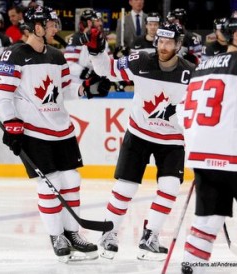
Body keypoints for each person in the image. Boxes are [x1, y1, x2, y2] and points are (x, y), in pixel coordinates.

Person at [0, 5, 103, 263]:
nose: (56, 28)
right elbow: (1, 95)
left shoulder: (56, 55)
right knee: (50, 182)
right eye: (51, 24)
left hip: (61, 129)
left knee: (71, 179)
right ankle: (57, 236)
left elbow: (65, 89)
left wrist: (87, 88)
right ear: (37, 27)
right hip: (33, 131)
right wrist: (11, 124)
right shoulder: (14, 55)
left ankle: (72, 233)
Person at [80, 21, 195, 260]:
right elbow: (106, 70)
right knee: (126, 187)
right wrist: (97, 50)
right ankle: (108, 234)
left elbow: (196, 108)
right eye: (160, 41)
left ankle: (150, 236)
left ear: (179, 45)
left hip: (172, 139)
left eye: (169, 42)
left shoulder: (190, 73)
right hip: (139, 133)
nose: (163, 46)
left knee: (170, 187)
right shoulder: (140, 60)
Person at [177, 12, 237, 274]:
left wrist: (198, 147)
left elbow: (182, 112)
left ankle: (192, 269)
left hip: (203, 158)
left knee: (208, 220)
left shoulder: (201, 66)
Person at [64, 8, 111, 90]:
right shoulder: (76, 39)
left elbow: (110, 63)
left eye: (100, 20)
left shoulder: (102, 40)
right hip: (78, 87)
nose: (100, 23)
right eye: (97, 20)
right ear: (89, 22)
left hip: (97, 87)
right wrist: (86, 72)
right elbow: (68, 64)